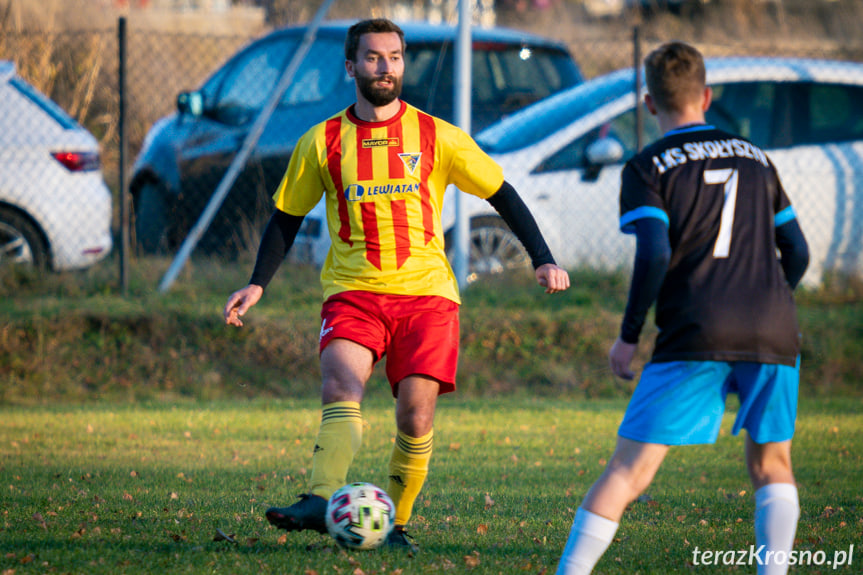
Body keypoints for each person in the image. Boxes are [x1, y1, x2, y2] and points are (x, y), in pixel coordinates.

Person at [223, 18, 570, 552]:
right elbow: (286, 217)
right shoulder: (322, 141)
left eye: (394, 57)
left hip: (428, 296)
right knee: (341, 386)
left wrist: (542, 258)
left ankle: (395, 524)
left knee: (415, 413)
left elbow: (501, 193)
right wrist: (257, 284)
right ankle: (319, 499)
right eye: (372, 58)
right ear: (350, 66)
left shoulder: (438, 135)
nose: (384, 68)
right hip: (354, 291)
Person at [556, 41, 809, 575]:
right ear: (707, 95)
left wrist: (629, 335)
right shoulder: (759, 159)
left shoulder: (648, 165)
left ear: (650, 103)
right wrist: (770, 301)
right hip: (772, 328)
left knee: (629, 470)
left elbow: (653, 250)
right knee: (772, 464)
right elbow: (798, 252)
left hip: (697, 326)